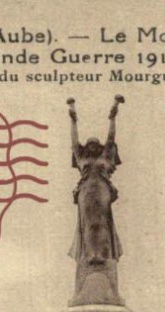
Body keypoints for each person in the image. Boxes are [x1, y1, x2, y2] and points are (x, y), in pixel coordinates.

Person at [67, 96, 124, 267]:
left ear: (99, 147)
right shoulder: (81, 157)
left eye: (95, 144)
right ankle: (90, 254)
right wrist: (73, 118)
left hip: (102, 191)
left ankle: (102, 254)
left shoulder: (105, 157)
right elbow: (74, 140)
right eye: (89, 143)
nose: (92, 146)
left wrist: (113, 116)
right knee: (89, 224)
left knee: (101, 223)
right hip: (86, 192)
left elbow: (111, 138)